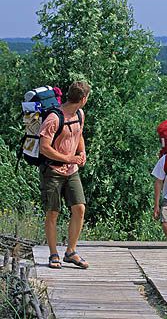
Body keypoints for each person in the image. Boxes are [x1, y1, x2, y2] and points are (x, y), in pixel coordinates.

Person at [39, 81, 90, 269]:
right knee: (53, 212)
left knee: (79, 208)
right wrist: (69, 158)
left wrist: (82, 153)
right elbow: (44, 148)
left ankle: (71, 252)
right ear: (83, 99)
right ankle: (53, 254)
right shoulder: (54, 118)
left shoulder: (79, 114)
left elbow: (79, 134)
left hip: (72, 171)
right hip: (52, 171)